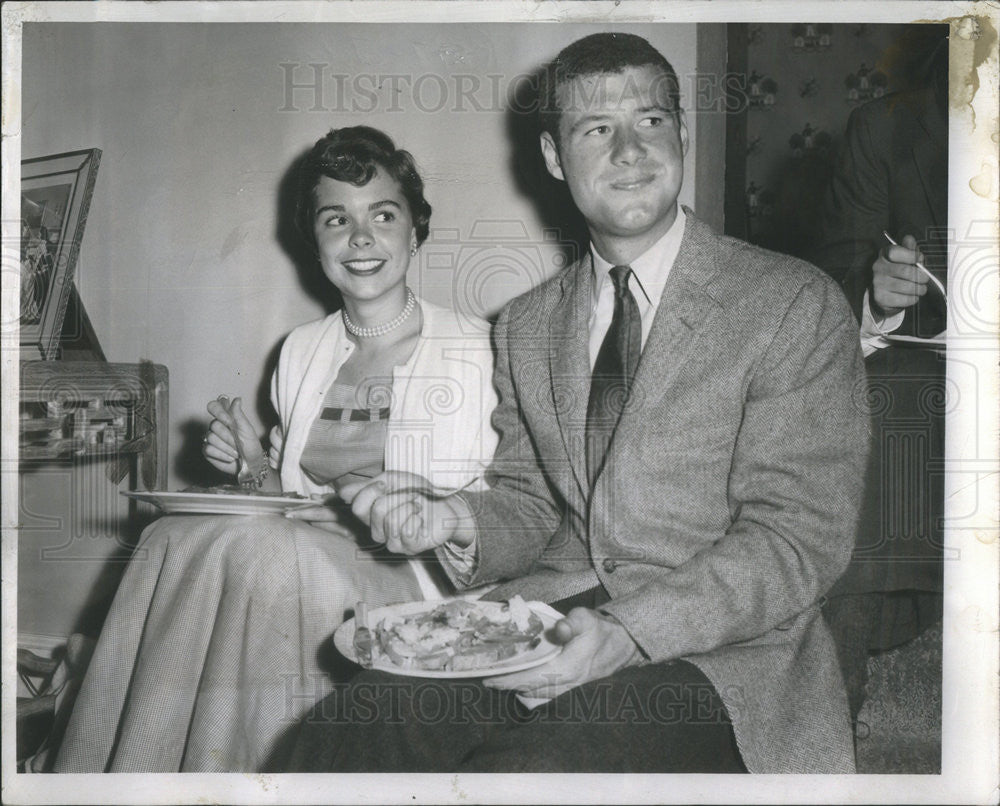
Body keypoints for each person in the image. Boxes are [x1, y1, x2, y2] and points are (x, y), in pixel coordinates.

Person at [289, 33, 870, 774]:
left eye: (651, 120)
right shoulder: (527, 324)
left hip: (727, 657)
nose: (630, 149)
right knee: (353, 727)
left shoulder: (792, 304)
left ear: (683, 134)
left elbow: (797, 540)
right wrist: (451, 518)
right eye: (597, 129)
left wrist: (631, 630)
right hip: (547, 618)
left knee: (528, 774)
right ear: (556, 159)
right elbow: (534, 507)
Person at [53, 126, 498, 772]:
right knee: (169, 536)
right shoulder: (300, 352)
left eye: (383, 214)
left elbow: (504, 512)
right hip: (300, 563)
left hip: (420, 584)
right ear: (313, 240)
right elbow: (292, 503)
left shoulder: (477, 348)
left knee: (262, 554)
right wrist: (254, 466)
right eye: (335, 219)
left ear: (414, 228)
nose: (362, 237)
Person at [813, 28, 948, 723]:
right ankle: (831, 711)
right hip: (930, 369)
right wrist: (876, 292)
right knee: (875, 408)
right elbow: (831, 280)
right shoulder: (885, 129)